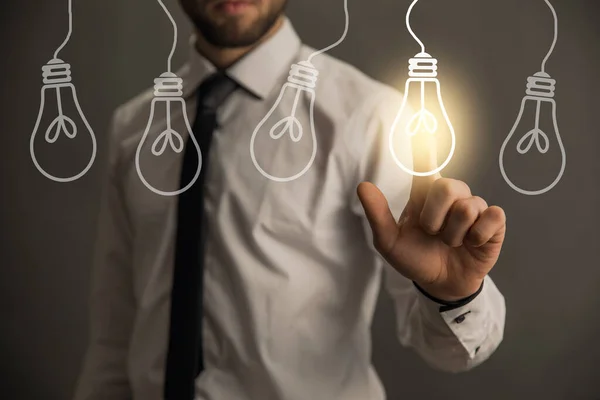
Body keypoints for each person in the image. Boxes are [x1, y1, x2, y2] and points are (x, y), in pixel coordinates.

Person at [74, 0, 507, 399]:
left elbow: (453, 351)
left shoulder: (368, 118)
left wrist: (453, 295)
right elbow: (115, 338)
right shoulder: (133, 129)